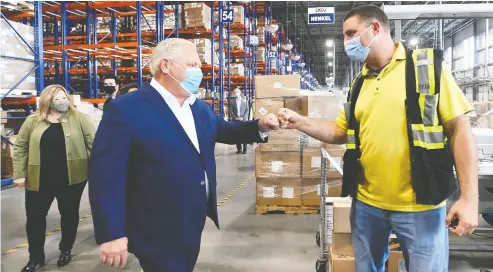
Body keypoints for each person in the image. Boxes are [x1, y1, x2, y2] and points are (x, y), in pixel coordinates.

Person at [278, 5, 478, 272]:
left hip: (420, 207)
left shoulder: (426, 68)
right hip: (367, 206)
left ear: (375, 29)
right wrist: (300, 121)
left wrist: (469, 198)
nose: (346, 42)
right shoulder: (360, 83)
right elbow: (340, 132)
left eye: (351, 33)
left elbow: (459, 130)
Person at [88, 38, 279, 271]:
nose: (198, 72)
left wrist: (259, 125)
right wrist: (112, 233)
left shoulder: (198, 107)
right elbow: (105, 175)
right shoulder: (126, 109)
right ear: (166, 66)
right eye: (191, 65)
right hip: (155, 225)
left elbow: (225, 130)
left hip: (192, 218)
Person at [12, 85, 95, 272]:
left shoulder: (80, 119)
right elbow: (20, 147)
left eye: (64, 97)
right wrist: (19, 174)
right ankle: (35, 258)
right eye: (57, 98)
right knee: (34, 218)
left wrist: (99, 172)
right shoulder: (33, 120)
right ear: (47, 100)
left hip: (72, 178)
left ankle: (65, 250)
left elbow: (93, 145)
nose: (62, 101)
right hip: (39, 179)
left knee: (69, 215)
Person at [229, 88, 249, 154]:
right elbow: (231, 111)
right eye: (235, 92)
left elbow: (247, 110)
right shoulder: (232, 101)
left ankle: (245, 149)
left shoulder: (245, 100)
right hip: (235, 120)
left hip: (243, 120)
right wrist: (235, 118)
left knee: (244, 135)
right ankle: (239, 149)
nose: (236, 93)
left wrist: (243, 117)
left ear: (240, 92)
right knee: (237, 135)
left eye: (237, 91)